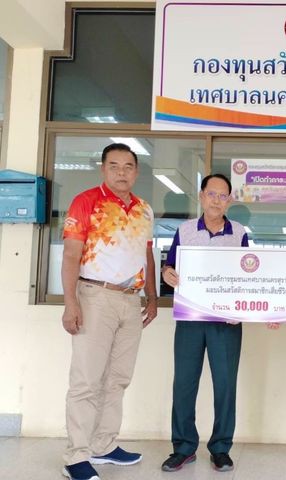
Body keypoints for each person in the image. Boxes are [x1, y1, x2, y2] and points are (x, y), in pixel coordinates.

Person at [61, 143, 158, 480]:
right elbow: (71, 255)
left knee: (117, 379)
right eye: (114, 166)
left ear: (136, 172)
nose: (121, 172)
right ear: (103, 169)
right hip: (95, 297)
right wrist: (71, 302)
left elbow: (147, 255)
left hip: (131, 301)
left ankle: (103, 445)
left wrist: (152, 296)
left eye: (128, 166)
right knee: (86, 381)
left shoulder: (144, 209)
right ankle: (76, 456)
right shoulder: (86, 202)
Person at [160, 173, 249, 473]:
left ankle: (221, 448)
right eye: (211, 194)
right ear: (201, 196)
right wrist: (167, 273)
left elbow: (249, 276)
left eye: (223, 196)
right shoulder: (185, 231)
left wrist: (244, 306)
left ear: (229, 201)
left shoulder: (239, 233)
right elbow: (170, 267)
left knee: (225, 386)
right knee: (184, 384)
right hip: (191, 318)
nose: (216, 200)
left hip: (226, 321)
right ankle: (183, 447)